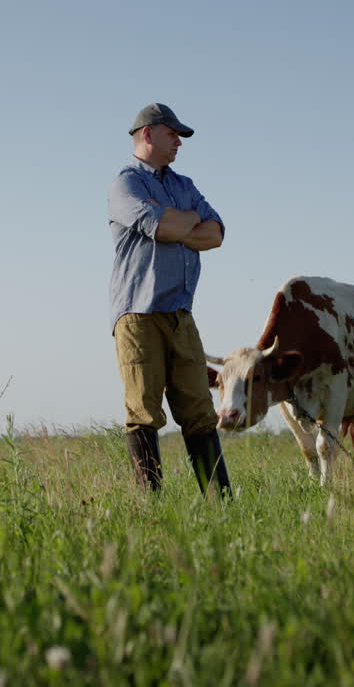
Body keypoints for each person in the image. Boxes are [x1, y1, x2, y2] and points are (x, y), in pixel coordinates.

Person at [107, 103, 231, 497]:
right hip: (138, 315)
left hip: (181, 313)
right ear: (147, 134)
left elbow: (216, 234)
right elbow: (159, 225)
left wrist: (178, 221)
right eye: (172, 133)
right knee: (143, 410)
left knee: (199, 411)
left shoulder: (183, 184)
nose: (179, 141)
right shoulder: (125, 184)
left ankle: (221, 504)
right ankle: (152, 508)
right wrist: (183, 220)